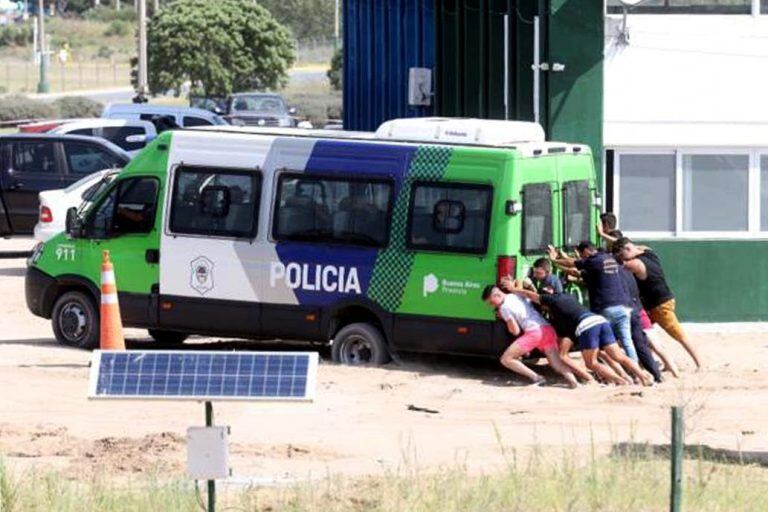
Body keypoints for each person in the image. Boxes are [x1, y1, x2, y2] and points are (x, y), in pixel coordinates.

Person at [503, 281, 653, 386]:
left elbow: (530, 295)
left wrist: (513, 289)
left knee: (591, 363)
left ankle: (622, 381)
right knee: (618, 355)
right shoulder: (567, 297)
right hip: (599, 320)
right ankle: (643, 376)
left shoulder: (552, 300)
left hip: (586, 326)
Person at [612, 237, 702, 369]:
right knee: (644, 332)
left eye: (622, 255)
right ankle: (664, 362)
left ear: (627, 249)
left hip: (659, 305)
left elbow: (616, 267)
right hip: (660, 302)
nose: (623, 259)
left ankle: (699, 363)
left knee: (679, 335)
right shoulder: (648, 252)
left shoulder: (635, 264)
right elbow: (636, 246)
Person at [547, 242, 639, 363]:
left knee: (601, 342)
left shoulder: (594, 260)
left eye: (582, 254)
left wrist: (554, 261)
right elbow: (577, 269)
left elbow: (573, 263)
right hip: (623, 307)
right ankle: (635, 369)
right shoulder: (608, 258)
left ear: (586, 251)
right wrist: (563, 258)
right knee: (627, 342)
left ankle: (606, 370)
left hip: (607, 307)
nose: (582, 257)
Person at [481, 285, 579, 388]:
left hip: (534, 332)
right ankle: (574, 382)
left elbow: (515, 331)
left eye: (491, 302)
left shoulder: (504, 308)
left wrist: (505, 320)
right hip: (547, 329)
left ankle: (537, 378)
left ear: (497, 295)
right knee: (556, 364)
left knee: (506, 359)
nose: (492, 306)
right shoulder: (515, 296)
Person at [619, 267, 663, 382]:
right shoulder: (628, 272)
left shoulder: (616, 273)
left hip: (626, 310)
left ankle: (635, 375)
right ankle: (657, 375)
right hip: (636, 310)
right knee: (640, 345)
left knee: (627, 343)